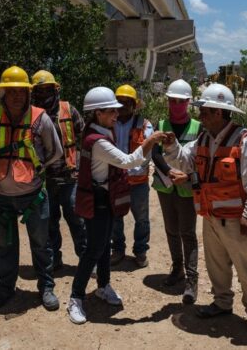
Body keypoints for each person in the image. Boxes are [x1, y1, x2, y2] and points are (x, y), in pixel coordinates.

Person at [162, 83, 247, 340]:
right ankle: (222, 303)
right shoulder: (203, 139)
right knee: (217, 266)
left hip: (237, 219)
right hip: (211, 217)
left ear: (220, 113)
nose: (202, 115)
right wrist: (171, 145)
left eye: (206, 111)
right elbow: (184, 161)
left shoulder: (246, 142)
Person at [66, 87, 166, 324]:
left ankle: (103, 285)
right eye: (112, 111)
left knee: (103, 246)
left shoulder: (99, 130)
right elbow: (128, 161)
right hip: (98, 200)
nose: (116, 115)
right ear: (98, 113)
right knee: (94, 250)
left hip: (105, 198)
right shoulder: (98, 140)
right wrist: (151, 141)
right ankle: (76, 297)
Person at [0, 66, 63, 311]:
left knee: (41, 243)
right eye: (10, 91)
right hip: (0, 197)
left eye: (21, 91)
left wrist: (39, 167)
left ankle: (46, 287)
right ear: (2, 93)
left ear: (28, 93)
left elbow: (55, 151)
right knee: (5, 245)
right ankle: (6, 288)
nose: (16, 96)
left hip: (34, 195)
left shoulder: (39, 118)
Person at [150, 79, 200, 304]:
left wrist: (186, 177)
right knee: (171, 229)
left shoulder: (199, 127)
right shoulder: (161, 124)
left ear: (188, 102)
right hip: (165, 184)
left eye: (180, 102)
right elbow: (155, 153)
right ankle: (177, 268)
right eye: (172, 101)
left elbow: (201, 158)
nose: (175, 105)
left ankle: (192, 279)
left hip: (187, 187)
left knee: (187, 232)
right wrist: (170, 173)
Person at [31, 70, 86, 271]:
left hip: (70, 176)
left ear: (55, 89)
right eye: (40, 90)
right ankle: (55, 260)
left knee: (77, 219)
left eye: (48, 89)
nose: (44, 94)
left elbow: (84, 136)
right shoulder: (31, 115)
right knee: (50, 222)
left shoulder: (68, 110)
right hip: (44, 179)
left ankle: (87, 259)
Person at [110, 84, 153, 268]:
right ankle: (118, 250)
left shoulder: (144, 125)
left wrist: (132, 168)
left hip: (137, 181)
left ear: (134, 105)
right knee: (115, 217)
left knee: (141, 218)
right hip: (115, 180)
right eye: (119, 102)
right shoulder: (108, 123)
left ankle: (140, 250)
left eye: (128, 102)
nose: (123, 106)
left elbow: (147, 153)